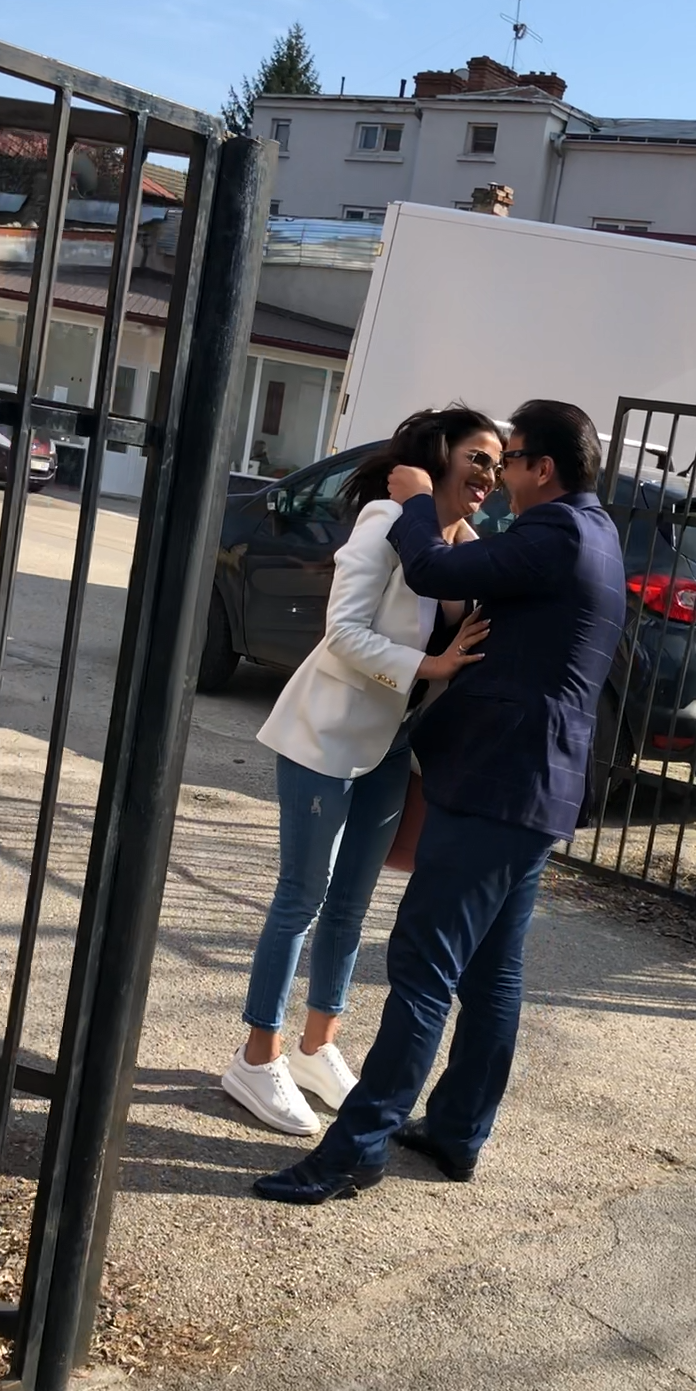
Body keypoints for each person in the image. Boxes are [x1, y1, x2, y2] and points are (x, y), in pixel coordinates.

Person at [253, 398, 626, 1204]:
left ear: (542, 469)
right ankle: (456, 1132)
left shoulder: (555, 534)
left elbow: (430, 569)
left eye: (509, 457)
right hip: (534, 793)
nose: (499, 472)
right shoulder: (595, 531)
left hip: (496, 788)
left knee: (422, 970)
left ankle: (354, 1150)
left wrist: (420, 498)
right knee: (491, 974)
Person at [222, 406, 503, 1137]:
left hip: (392, 744)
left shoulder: (467, 549)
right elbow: (342, 633)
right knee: (301, 898)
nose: (489, 476)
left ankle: (317, 1049)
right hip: (326, 732)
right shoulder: (385, 522)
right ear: (438, 456)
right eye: (477, 457)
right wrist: (430, 665)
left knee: (352, 905)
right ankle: (256, 1056)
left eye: (498, 464)